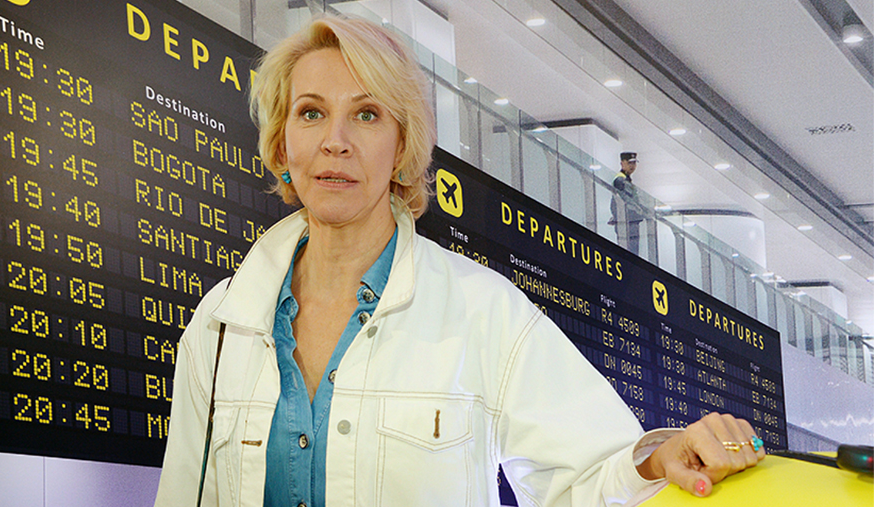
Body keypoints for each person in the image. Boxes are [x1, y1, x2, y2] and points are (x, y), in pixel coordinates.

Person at [154, 15, 764, 507]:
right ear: (283, 143)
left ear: (402, 146)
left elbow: (589, 478)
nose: (335, 140)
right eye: (311, 112)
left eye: (366, 114)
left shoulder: (484, 312)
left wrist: (660, 458)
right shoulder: (221, 324)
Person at [609, 152, 644, 255]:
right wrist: (640, 211)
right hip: (627, 221)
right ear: (622, 163)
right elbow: (626, 201)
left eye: (634, 163)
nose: (632, 166)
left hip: (630, 220)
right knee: (630, 250)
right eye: (629, 163)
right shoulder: (620, 180)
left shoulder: (626, 179)